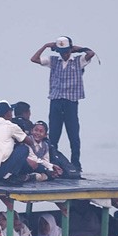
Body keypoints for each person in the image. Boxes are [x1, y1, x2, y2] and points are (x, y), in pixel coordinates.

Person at [31, 36, 95, 172]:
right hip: (55, 101)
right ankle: (54, 163)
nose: (64, 54)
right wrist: (45, 45)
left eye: (66, 51)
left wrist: (77, 48)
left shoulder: (79, 61)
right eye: (61, 51)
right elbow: (34, 59)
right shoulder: (53, 61)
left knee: (73, 135)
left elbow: (91, 53)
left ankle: (76, 164)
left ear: (70, 50)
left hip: (71, 102)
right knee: (54, 134)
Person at [0, 101, 42, 184]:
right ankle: (9, 176)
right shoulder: (11, 126)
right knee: (23, 149)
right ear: (7, 113)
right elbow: (29, 142)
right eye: (11, 112)